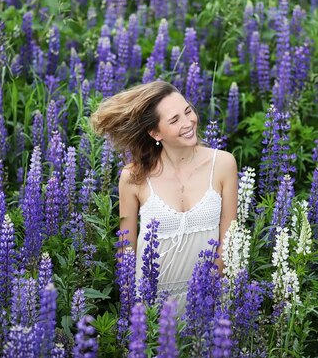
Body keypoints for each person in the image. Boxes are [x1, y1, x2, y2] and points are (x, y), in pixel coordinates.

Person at [90, 80, 238, 312]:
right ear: (155, 132)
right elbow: (126, 247)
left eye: (188, 111)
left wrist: (208, 295)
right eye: (174, 119)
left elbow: (230, 241)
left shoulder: (223, 163)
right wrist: (132, 308)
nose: (188, 122)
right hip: (151, 304)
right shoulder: (133, 176)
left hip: (206, 298)